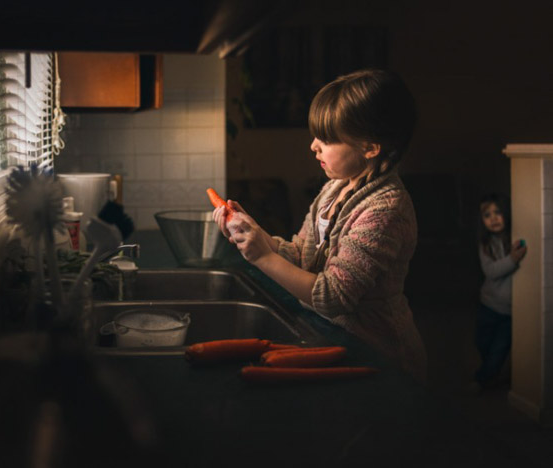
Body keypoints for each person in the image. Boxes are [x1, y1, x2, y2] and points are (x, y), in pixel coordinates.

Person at [213, 69, 427, 383]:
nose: (314, 146)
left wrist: (262, 257)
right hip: (334, 340)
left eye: (326, 139)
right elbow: (302, 255)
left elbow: (332, 297)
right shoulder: (334, 188)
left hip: (381, 359)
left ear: (370, 148)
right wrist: (257, 236)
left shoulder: (386, 210)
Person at [471, 193, 526, 393]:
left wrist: (514, 255)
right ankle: (492, 372)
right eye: (487, 215)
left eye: (498, 213)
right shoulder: (485, 244)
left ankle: (482, 379)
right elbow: (490, 272)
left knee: (499, 349)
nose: (493, 218)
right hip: (488, 305)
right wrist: (512, 259)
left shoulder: (515, 239)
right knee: (482, 342)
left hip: (509, 312)